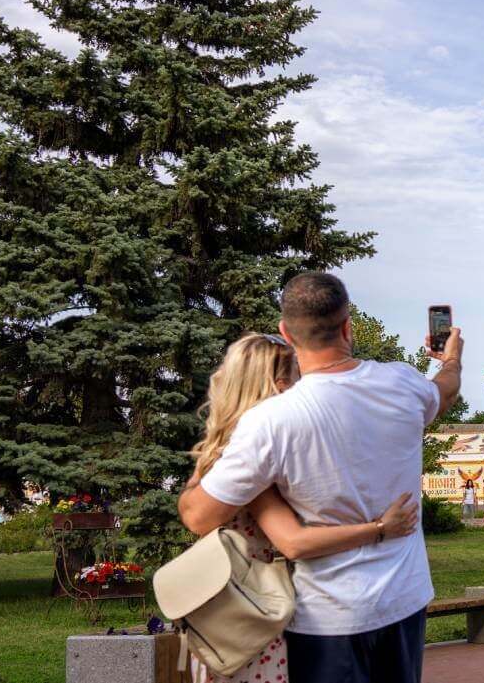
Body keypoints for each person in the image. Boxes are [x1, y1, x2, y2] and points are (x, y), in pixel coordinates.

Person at [179, 272, 463, 683]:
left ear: (286, 333)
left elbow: (198, 516)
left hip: (328, 617)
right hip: (405, 600)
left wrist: (212, 446)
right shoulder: (402, 383)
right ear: (347, 325)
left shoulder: (269, 422)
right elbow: (447, 389)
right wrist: (450, 358)